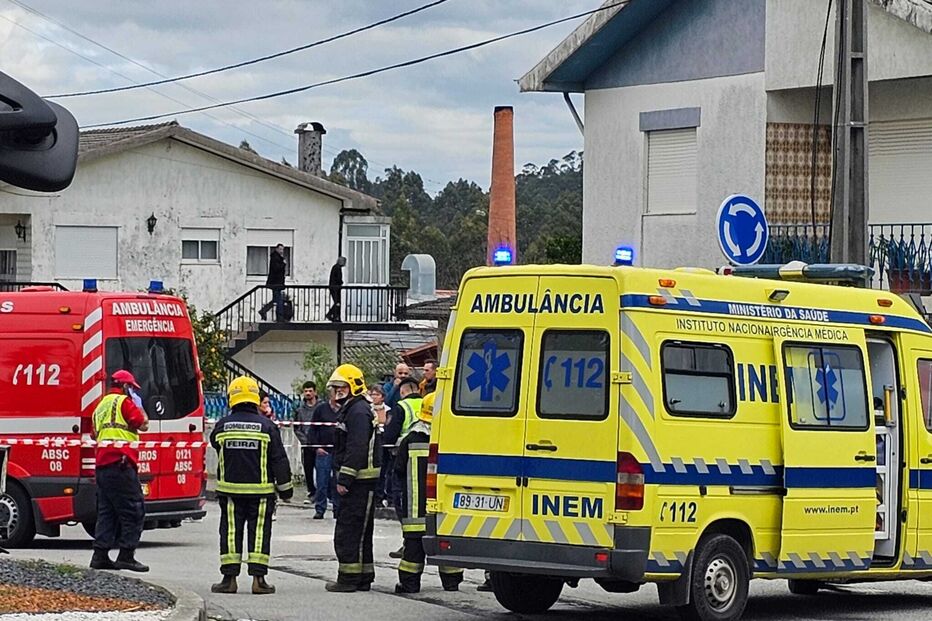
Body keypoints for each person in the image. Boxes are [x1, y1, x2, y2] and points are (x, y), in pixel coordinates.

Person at [210, 376, 293, 595]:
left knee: (230, 533)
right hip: (261, 493)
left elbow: (214, 443)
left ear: (232, 398)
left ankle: (229, 580)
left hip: (230, 492)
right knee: (259, 534)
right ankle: (259, 580)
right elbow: (279, 459)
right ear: (255, 399)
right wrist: (286, 489)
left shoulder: (222, 425)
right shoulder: (267, 426)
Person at [395, 393, 463, 593]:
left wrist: (397, 500)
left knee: (414, 546)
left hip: (415, 507)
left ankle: (410, 584)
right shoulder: (452, 439)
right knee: (446, 542)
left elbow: (398, 472)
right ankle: (451, 583)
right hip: (444, 507)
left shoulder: (410, 440)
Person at [325, 364, 383, 593]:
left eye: (341, 387)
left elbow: (356, 448)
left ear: (353, 386)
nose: (336, 391)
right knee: (360, 531)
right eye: (335, 387)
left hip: (359, 481)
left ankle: (348, 579)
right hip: (361, 481)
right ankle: (363, 576)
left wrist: (344, 479)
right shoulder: (355, 408)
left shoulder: (357, 411)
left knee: (349, 530)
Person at [89, 370, 150, 572]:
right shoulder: (124, 403)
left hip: (103, 467)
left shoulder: (100, 406)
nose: (132, 391)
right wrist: (139, 407)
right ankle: (126, 555)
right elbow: (143, 425)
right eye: (131, 388)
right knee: (134, 509)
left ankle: (100, 555)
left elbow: (94, 433)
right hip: (121, 464)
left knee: (107, 512)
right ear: (125, 386)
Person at [383, 377, 423, 559]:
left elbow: (390, 436)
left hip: (404, 459)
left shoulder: (401, 407)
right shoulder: (428, 404)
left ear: (402, 391)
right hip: (429, 461)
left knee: (402, 501)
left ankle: (409, 543)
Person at [310, 388, 340, 520]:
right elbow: (312, 430)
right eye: (336, 393)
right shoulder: (321, 409)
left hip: (339, 452)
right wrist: (316, 447)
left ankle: (337, 509)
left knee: (338, 482)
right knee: (322, 482)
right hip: (324, 452)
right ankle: (320, 509)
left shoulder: (345, 410)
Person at [293, 381, 319, 504]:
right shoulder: (300, 410)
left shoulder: (321, 408)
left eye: (310, 391)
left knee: (322, 470)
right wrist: (306, 441)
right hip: (307, 445)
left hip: (320, 445)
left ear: (315, 392)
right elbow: (297, 428)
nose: (308, 393)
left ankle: (323, 494)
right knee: (308, 469)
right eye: (305, 391)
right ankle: (311, 493)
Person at [259, 244, 287, 321]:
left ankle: (263, 310)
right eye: (280, 249)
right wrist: (283, 264)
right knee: (279, 300)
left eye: (283, 249)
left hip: (277, 282)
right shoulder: (275, 257)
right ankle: (280, 317)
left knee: (276, 299)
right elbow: (276, 268)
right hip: (276, 283)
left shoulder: (277, 257)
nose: (282, 251)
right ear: (277, 249)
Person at [325, 256, 346, 322]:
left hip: (334, 288)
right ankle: (332, 315)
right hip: (335, 288)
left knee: (337, 302)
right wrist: (341, 282)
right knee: (337, 302)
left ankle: (334, 315)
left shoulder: (336, 267)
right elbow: (338, 278)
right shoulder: (337, 268)